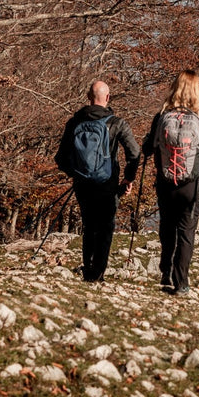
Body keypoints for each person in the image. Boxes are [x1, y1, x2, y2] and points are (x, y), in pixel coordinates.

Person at [141, 70, 199, 296]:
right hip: (190, 186)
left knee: (167, 227)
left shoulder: (162, 115)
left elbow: (148, 149)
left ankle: (165, 271)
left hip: (165, 182)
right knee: (186, 232)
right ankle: (181, 282)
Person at [55, 80, 141, 282]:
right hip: (107, 183)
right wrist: (128, 178)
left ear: (88, 97)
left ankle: (88, 269)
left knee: (89, 225)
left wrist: (76, 173)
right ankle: (98, 273)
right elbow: (134, 153)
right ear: (108, 98)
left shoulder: (75, 122)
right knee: (105, 227)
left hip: (82, 184)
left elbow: (61, 158)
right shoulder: (117, 123)